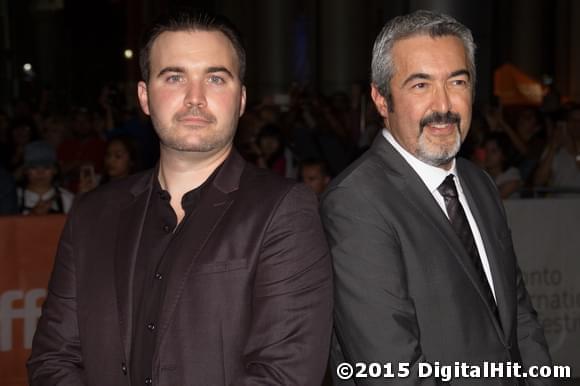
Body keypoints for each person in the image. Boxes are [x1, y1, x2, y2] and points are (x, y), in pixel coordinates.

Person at [28, 10, 332, 386]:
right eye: (174, 77)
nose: (195, 98)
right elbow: (52, 359)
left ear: (240, 99)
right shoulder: (91, 213)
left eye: (216, 78)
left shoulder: (282, 210)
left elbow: (285, 372)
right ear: (144, 96)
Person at [321, 10, 553, 385]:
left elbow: (519, 318)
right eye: (420, 85)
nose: (444, 105)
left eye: (457, 82)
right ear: (381, 100)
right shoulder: (355, 205)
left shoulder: (479, 184)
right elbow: (391, 371)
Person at [17, 141, 74, 215]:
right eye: (34, 167)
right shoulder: (14, 198)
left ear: (55, 170)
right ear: (25, 170)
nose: (40, 173)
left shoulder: (67, 199)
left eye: (46, 167)